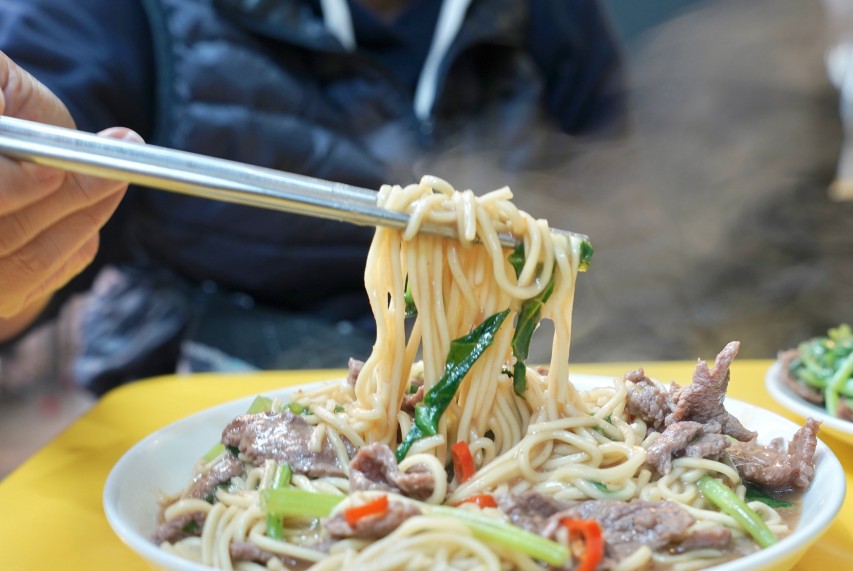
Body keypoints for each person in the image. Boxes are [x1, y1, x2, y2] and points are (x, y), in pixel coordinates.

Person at [0, 0, 628, 394]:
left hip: (502, 399)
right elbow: (47, 195)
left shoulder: (553, 14)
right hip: (198, 407)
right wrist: (16, 265)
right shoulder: (110, 14)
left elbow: (619, 215)